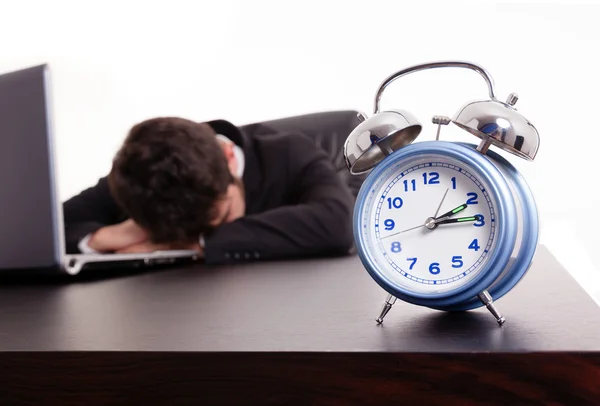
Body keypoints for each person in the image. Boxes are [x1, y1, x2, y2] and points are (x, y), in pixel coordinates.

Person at [63, 113, 361, 265]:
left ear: (229, 157)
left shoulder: (288, 152)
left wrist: (190, 246)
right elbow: (47, 227)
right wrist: (109, 236)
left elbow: (338, 222)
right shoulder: (142, 175)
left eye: (221, 215)